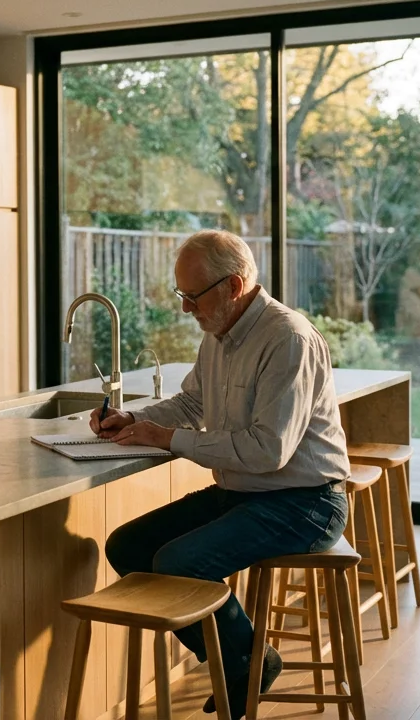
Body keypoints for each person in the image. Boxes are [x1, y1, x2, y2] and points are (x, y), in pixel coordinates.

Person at [92, 230, 350, 718]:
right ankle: (245, 658)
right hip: (244, 494)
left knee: (177, 562)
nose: (185, 308)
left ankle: (244, 662)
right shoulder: (219, 335)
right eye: (181, 294)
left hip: (306, 503)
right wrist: (133, 419)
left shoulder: (288, 339)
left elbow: (268, 451)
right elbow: (193, 402)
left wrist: (167, 438)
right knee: (128, 547)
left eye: (193, 295)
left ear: (233, 286)